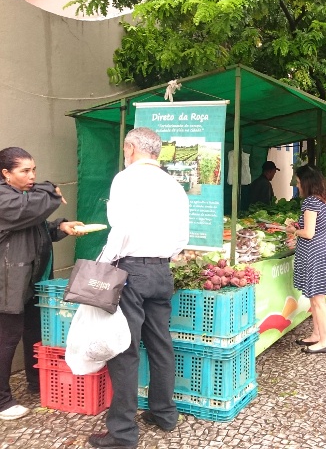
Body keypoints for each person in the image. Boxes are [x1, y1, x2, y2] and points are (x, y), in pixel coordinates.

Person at [88, 128, 189, 449]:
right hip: (162, 271)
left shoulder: (126, 179)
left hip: (130, 269)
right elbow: (181, 238)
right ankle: (163, 413)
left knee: (124, 349)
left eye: (124, 149)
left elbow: (120, 230)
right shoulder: (174, 185)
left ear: (130, 148)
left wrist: (102, 264)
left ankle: (122, 434)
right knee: (161, 344)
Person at [0, 147, 83, 421]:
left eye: (34, 169)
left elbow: (35, 227)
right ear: (5, 174)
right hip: (8, 284)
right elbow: (29, 210)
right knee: (6, 341)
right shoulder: (4, 198)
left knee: (35, 334)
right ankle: (1, 400)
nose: (32, 175)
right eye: (25, 171)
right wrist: (52, 190)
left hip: (30, 282)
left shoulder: (23, 197)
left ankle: (38, 382)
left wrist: (60, 227)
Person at [285, 165, 326, 355]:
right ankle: (317, 334)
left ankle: (325, 341)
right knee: (315, 298)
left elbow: (308, 233)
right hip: (325, 252)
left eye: (299, 182)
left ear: (307, 183)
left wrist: (293, 230)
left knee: (318, 301)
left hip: (314, 255)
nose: (298, 186)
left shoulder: (310, 202)